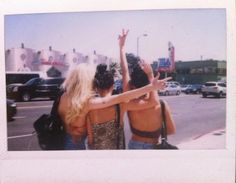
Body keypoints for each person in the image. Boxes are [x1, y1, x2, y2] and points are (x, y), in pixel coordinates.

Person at [57, 63, 171, 150]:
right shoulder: (87, 103)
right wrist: (151, 87)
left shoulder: (63, 96)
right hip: (77, 144)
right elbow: (119, 98)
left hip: (64, 140)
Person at [119, 29, 176, 149]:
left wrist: (122, 48)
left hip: (134, 144)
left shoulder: (128, 103)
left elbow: (125, 73)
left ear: (132, 85)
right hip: (154, 145)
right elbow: (171, 130)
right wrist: (150, 75)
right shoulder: (161, 104)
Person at [86, 63, 160, 149]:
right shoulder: (120, 105)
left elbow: (90, 140)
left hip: (98, 155)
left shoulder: (90, 107)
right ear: (113, 86)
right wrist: (150, 77)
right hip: (118, 155)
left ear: (96, 88)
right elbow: (153, 102)